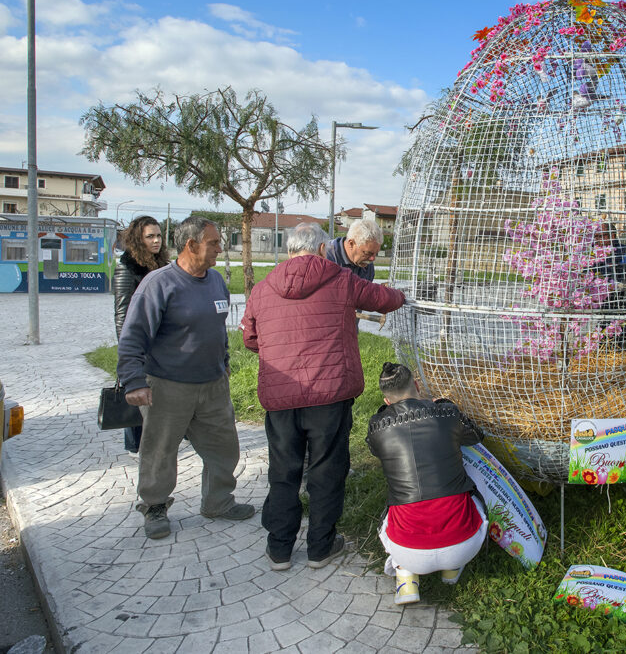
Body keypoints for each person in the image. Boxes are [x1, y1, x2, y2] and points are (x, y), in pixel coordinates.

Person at [241, 223, 405, 571]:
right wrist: (401, 295)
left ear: (288, 251)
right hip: (329, 395)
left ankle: (279, 548)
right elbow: (383, 299)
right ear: (320, 250)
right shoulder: (341, 279)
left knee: (284, 470)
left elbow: (250, 339)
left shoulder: (262, 288)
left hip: (281, 398)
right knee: (326, 469)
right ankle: (321, 546)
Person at [118, 215, 255, 540]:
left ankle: (217, 502)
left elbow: (217, 329)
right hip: (167, 385)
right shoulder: (159, 284)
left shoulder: (215, 280)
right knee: (160, 450)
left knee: (224, 447)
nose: (220, 249)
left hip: (212, 384)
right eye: (214, 243)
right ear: (191, 245)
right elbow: (133, 335)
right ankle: (154, 506)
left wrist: (223, 361)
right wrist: (134, 380)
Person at [366, 362, 487, 605]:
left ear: (387, 401)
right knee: (476, 495)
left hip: (408, 550)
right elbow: (476, 436)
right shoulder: (447, 414)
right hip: (464, 543)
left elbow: (373, 449)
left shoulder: (378, 426)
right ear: (418, 386)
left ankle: (406, 578)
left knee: (390, 515)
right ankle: (452, 569)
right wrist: (443, 405)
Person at [113, 215, 170, 454]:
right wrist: (130, 352)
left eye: (158, 236)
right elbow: (121, 315)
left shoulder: (162, 265)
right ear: (138, 239)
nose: (156, 241)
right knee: (139, 396)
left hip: (163, 344)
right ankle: (137, 446)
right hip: (141, 345)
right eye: (150, 237)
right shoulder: (127, 267)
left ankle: (163, 439)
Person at [594, 223, 626, 354]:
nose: (597, 240)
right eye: (595, 236)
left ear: (612, 236)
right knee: (604, 334)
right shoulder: (594, 253)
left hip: (624, 300)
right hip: (604, 302)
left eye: (600, 236)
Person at [325, 218, 383, 282]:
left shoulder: (367, 265)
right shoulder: (325, 258)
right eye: (367, 253)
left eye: (376, 253)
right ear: (351, 243)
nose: (372, 259)